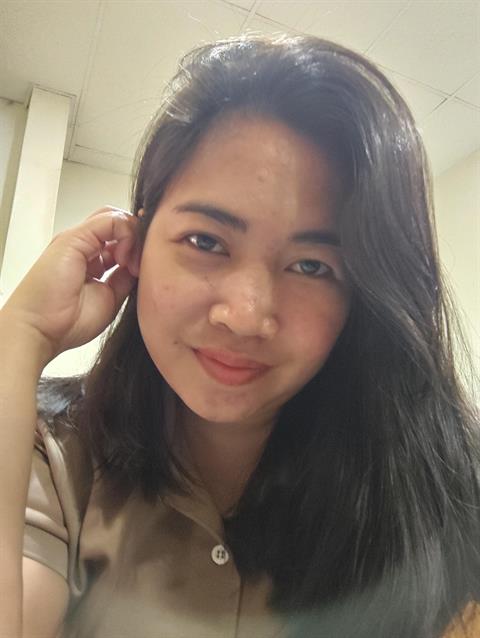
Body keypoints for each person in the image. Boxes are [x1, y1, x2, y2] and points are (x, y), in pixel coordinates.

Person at [0, 33, 479, 638]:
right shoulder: (50, 451)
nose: (247, 315)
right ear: (136, 245)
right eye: (206, 241)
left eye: (312, 266)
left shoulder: (435, 489)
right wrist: (19, 335)